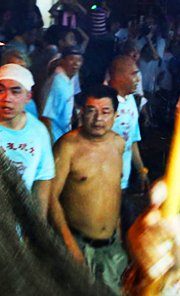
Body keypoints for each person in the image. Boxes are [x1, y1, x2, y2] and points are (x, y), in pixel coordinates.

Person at [50, 85, 128, 288]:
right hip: (78, 243)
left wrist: (118, 235)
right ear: (82, 112)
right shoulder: (68, 146)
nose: (98, 119)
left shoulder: (118, 144)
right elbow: (50, 198)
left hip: (111, 245)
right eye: (91, 111)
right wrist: (69, 244)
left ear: (115, 115)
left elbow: (114, 192)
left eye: (105, 112)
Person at [0, 63, 55, 210]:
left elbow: (42, 179)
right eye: (0, 90)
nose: (7, 98)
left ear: (28, 96)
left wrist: (38, 225)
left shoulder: (38, 132)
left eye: (15, 92)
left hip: (20, 218)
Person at [107, 54, 148, 193]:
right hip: (103, 182)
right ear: (119, 75)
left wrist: (141, 170)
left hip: (123, 181)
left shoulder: (130, 100)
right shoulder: (103, 103)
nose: (138, 79)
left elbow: (132, 140)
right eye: (134, 74)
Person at [42, 44, 84, 143]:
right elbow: (45, 116)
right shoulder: (57, 83)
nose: (76, 64)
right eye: (72, 59)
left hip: (64, 134)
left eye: (79, 60)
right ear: (62, 61)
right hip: (55, 137)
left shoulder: (71, 77)